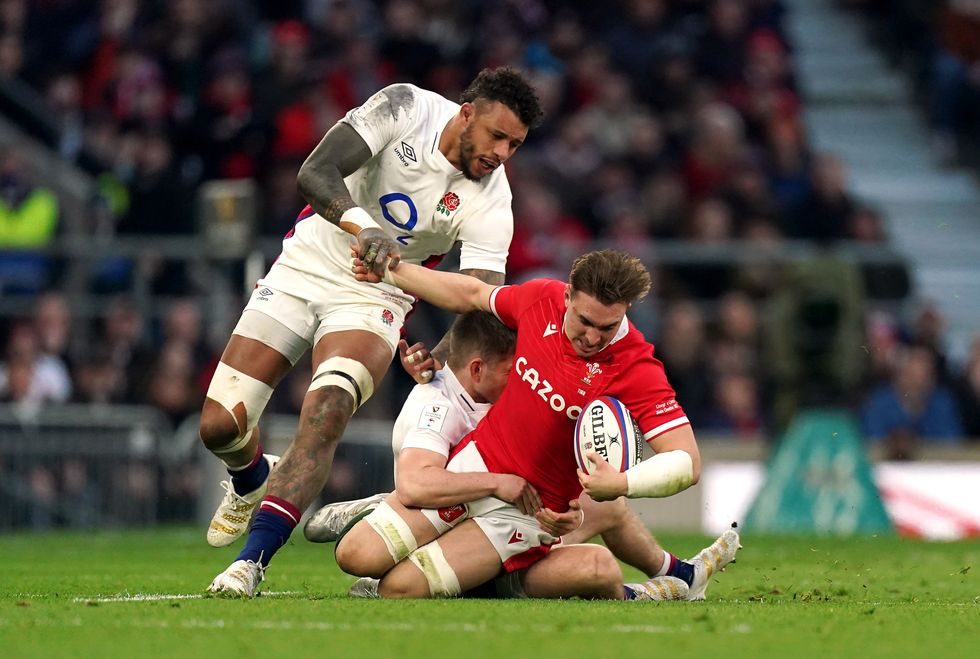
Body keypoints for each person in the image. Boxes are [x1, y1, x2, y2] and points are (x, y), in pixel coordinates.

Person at [205, 67, 543, 595]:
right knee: (219, 427)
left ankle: (249, 564)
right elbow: (316, 172)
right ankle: (250, 477)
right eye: (497, 136)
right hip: (305, 263)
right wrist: (366, 230)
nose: (502, 153)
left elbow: (479, 300)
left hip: (377, 295)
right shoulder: (405, 107)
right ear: (467, 112)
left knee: (327, 409)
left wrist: (441, 354)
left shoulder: (492, 201)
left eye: (515, 145)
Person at [328, 249, 739, 601]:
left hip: (528, 514)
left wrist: (621, 485)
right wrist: (392, 271)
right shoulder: (540, 299)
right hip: (473, 468)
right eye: (584, 321)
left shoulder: (636, 366)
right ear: (566, 296)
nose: (593, 337)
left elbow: (686, 460)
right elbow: (470, 294)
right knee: (355, 555)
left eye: (607, 327)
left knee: (398, 588)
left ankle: (655, 584)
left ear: (625, 314)